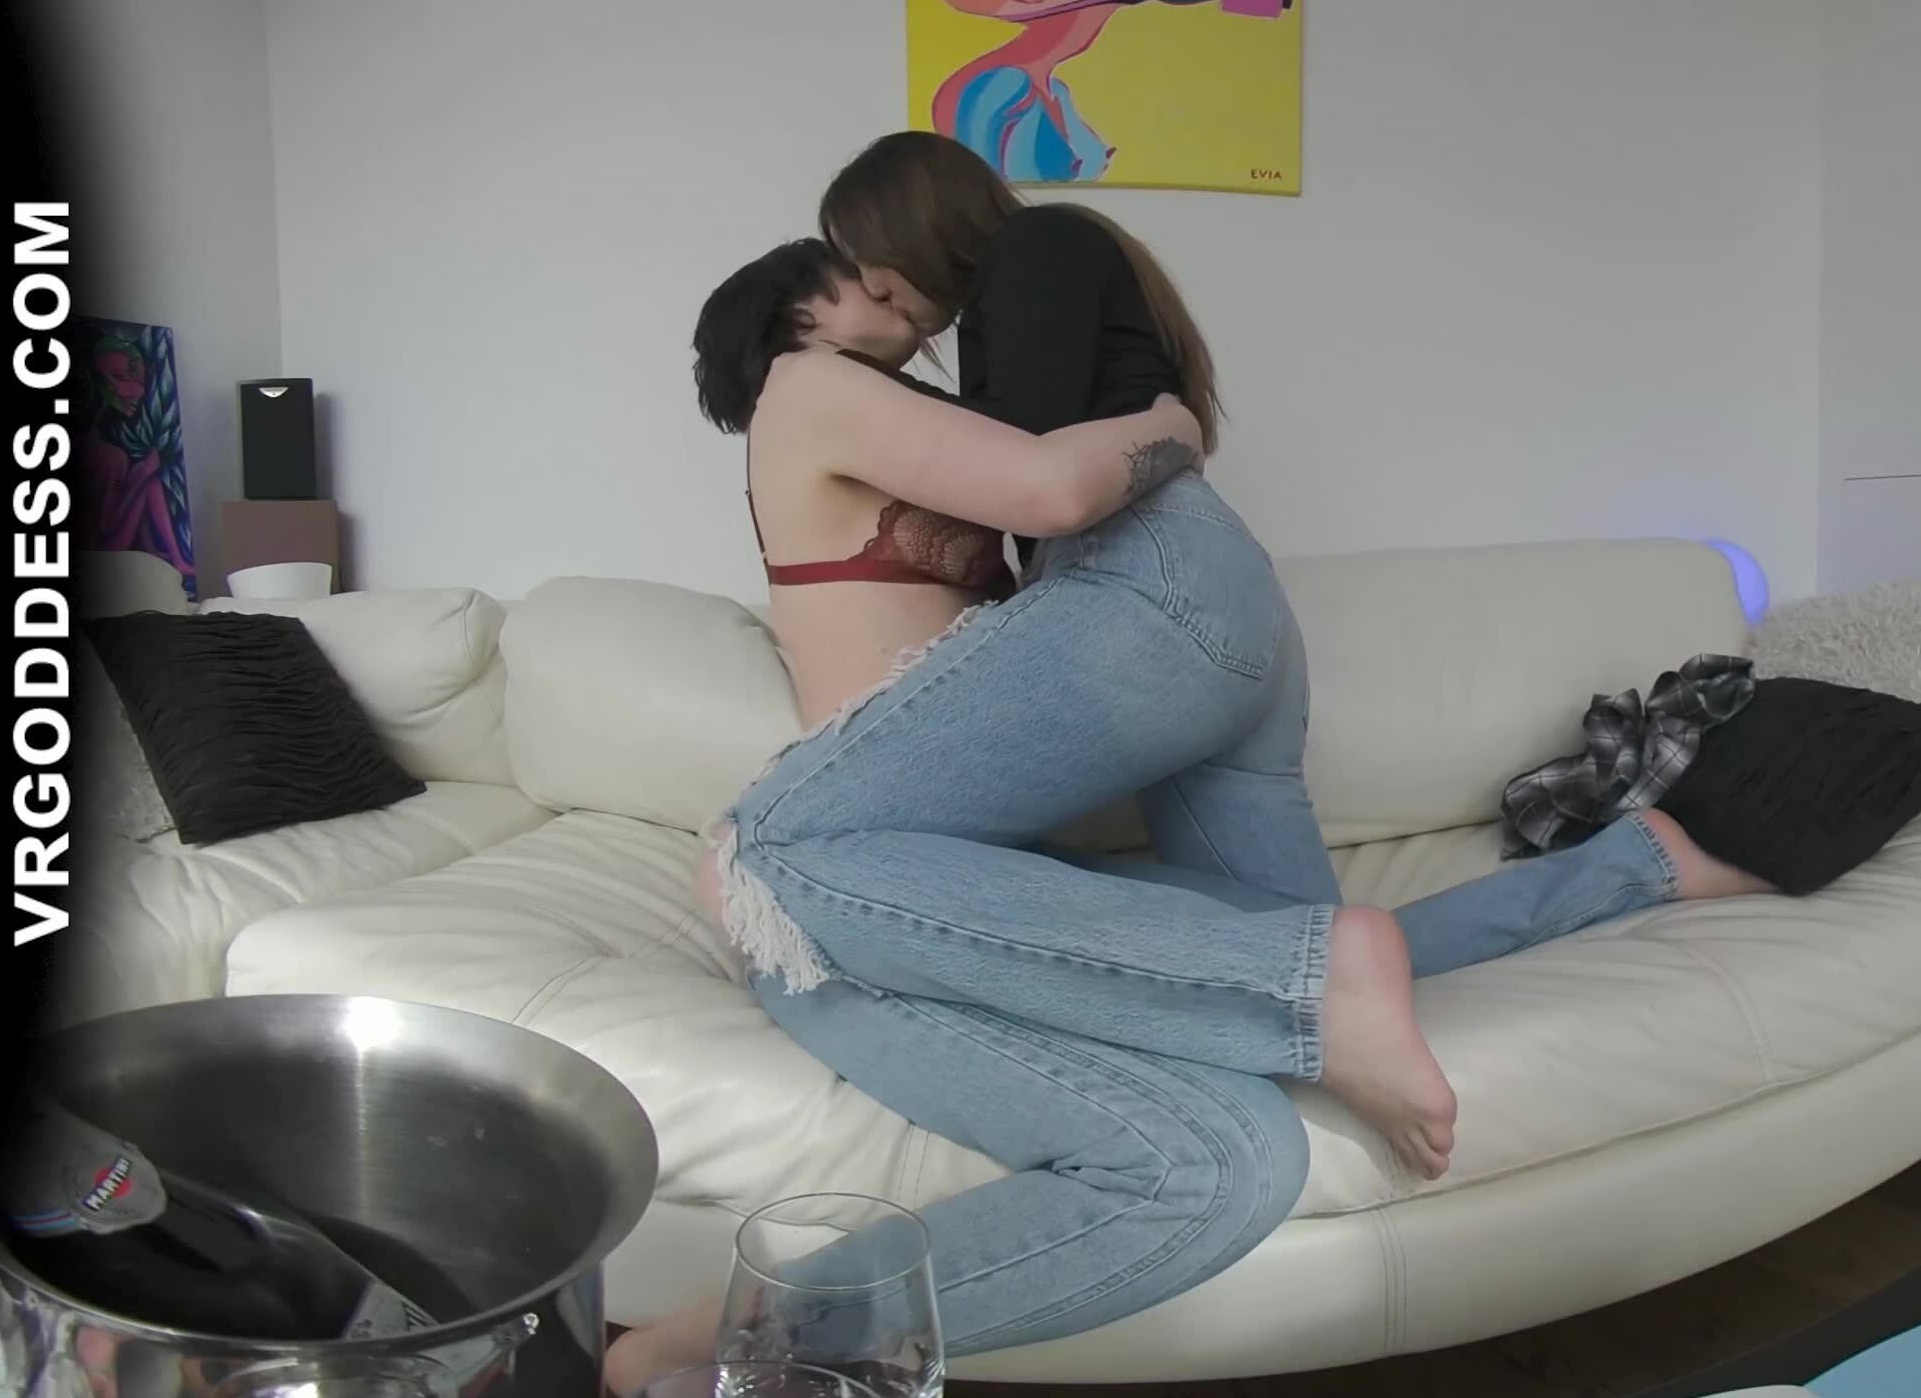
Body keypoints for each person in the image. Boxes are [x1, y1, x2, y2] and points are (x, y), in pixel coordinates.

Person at [717, 134, 1768, 1187]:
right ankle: (1636, 866)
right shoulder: (906, 350)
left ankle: (1301, 999)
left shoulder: (1031, 255)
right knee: (1317, 941)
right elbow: (1043, 461)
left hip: (1150, 587)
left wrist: (1166, 427)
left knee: (767, 850)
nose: (880, 286)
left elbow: (1046, 482)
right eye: (853, 274)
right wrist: (1170, 425)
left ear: (910, 228)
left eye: (868, 258)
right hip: (1210, 597)